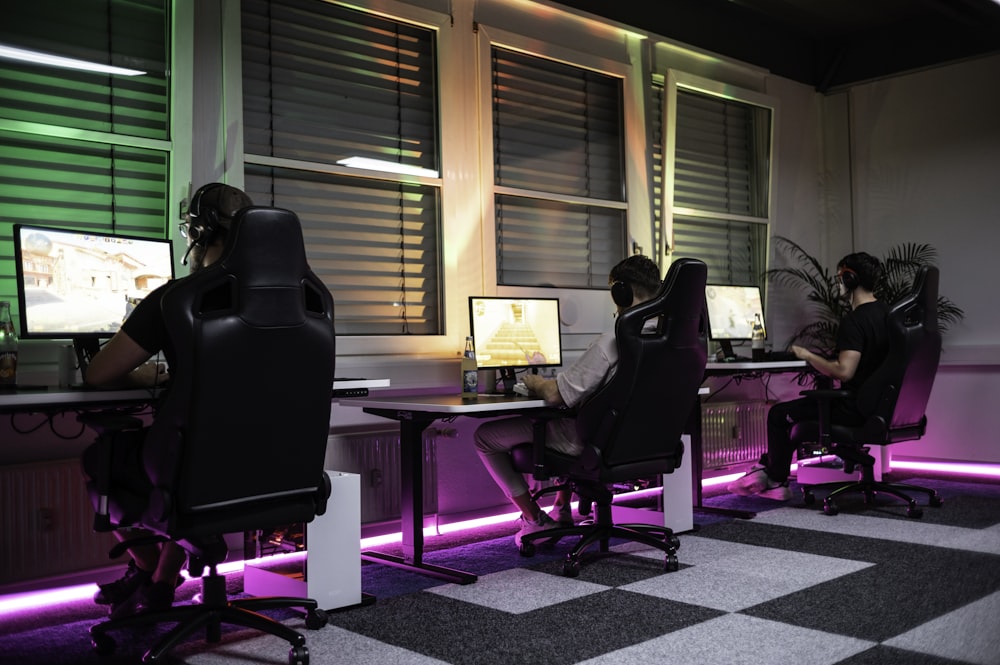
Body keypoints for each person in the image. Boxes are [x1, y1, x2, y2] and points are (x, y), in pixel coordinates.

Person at [82, 183, 254, 619]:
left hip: (191, 467)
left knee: (103, 458)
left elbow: (99, 374)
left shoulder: (175, 299)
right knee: (188, 463)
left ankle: (148, 573)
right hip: (266, 468)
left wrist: (141, 371)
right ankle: (159, 580)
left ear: (198, 234)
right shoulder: (295, 300)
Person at [473, 255, 663, 547]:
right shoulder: (665, 341)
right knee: (571, 419)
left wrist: (535, 382)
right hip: (638, 441)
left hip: (592, 442)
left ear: (620, 293)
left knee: (485, 437)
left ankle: (535, 521)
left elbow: (554, 394)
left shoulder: (611, 343)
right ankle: (562, 508)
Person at [727, 251, 891, 500]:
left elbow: (845, 372)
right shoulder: (890, 316)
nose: (837, 284)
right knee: (798, 417)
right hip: (880, 407)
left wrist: (807, 355)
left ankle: (774, 479)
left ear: (850, 280)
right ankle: (770, 472)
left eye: (839, 278)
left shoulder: (856, 321)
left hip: (854, 408)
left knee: (779, 414)